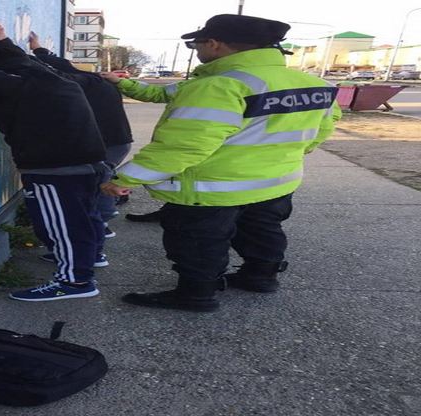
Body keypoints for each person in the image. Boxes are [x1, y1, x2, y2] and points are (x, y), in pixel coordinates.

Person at [100, 14, 342, 312]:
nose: (196, 51)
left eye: (195, 44)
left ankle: (195, 294)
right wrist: (124, 84)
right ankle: (260, 277)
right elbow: (325, 126)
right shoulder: (315, 84)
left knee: (199, 241)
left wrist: (125, 179)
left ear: (214, 44)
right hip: (276, 182)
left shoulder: (219, 86)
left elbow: (183, 146)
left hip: (212, 189)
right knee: (262, 231)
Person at [0, 5, 108, 302]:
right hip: (86, 165)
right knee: (83, 220)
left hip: (56, 172)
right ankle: (88, 259)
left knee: (62, 228)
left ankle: (75, 281)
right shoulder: (45, 77)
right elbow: (10, 59)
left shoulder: (21, 84)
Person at [27, 31, 134, 239]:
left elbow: (60, 73)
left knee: (97, 181)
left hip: (108, 143)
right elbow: (65, 67)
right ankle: (101, 222)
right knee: (100, 178)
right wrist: (38, 50)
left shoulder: (83, 86)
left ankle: (101, 225)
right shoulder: (96, 82)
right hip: (117, 142)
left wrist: (16, 55)